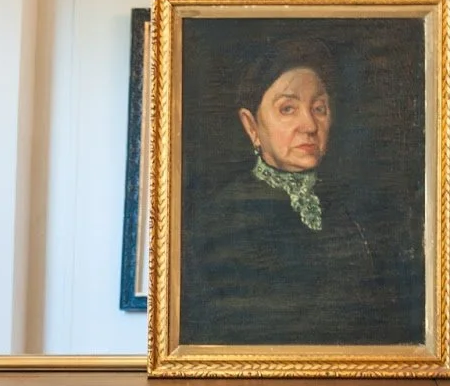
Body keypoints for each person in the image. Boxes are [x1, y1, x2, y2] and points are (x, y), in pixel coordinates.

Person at [180, 37, 422, 347]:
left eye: (319, 108)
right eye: (288, 108)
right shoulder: (222, 217)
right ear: (251, 126)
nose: (309, 124)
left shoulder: (354, 209)